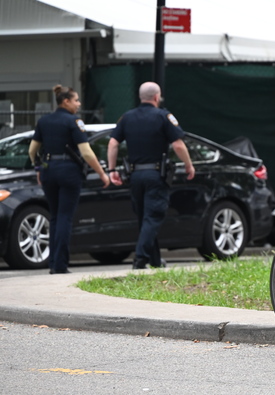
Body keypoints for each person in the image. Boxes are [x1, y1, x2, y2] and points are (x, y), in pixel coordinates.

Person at [107, 82, 195, 269]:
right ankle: (140, 259)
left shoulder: (127, 117)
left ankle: (154, 261)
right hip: (155, 175)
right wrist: (188, 165)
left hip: (135, 176)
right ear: (156, 97)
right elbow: (178, 145)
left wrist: (112, 170)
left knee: (145, 218)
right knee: (153, 217)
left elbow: (113, 143)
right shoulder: (163, 116)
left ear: (141, 97)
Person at [29, 85, 110, 274]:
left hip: (49, 170)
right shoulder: (74, 121)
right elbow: (86, 152)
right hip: (69, 171)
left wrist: (38, 168)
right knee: (65, 217)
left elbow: (32, 150)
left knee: (55, 217)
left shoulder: (44, 121)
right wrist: (101, 173)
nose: (79, 104)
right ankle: (60, 265)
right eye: (76, 100)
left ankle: (52, 263)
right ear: (66, 101)